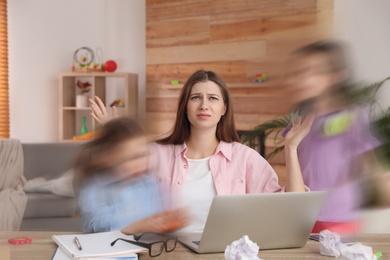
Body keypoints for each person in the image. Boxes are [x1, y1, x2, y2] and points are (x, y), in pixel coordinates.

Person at [90, 70, 312, 233]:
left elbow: (291, 211)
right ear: (185, 107)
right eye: (196, 97)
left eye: (213, 98)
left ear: (224, 108)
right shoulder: (155, 153)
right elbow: (114, 185)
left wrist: (291, 148)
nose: (204, 105)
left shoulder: (246, 158)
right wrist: (115, 138)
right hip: (165, 252)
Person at [282, 41, 381, 234]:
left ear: (334, 77)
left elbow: (369, 168)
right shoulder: (298, 120)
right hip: (304, 217)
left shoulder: (353, 117)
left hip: (340, 218)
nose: (302, 79)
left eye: (312, 72)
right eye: (298, 72)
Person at [73, 117, 187, 234]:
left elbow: (158, 217)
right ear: (109, 158)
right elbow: (98, 225)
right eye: (131, 158)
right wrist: (137, 227)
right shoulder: (94, 187)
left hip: (146, 249)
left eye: (143, 155)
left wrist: (169, 222)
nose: (139, 164)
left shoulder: (149, 184)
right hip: (105, 249)